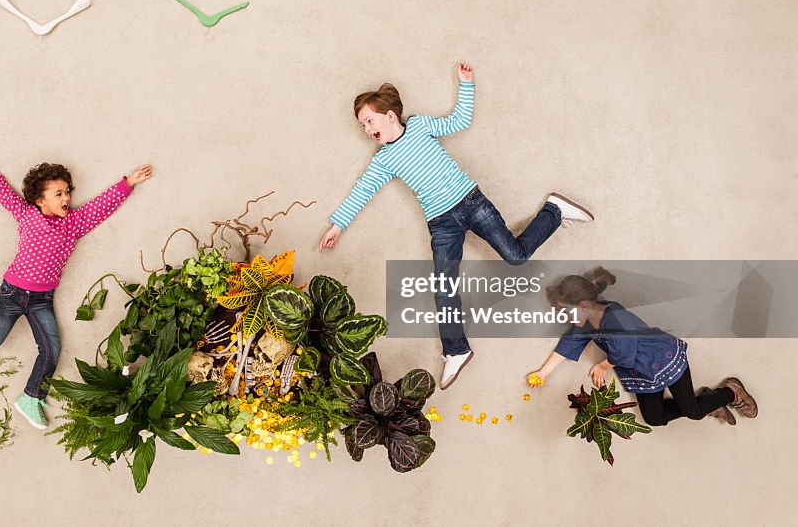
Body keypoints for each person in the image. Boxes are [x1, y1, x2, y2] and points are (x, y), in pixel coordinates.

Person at [318, 62, 593, 390]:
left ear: (390, 115)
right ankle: (456, 350)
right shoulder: (383, 160)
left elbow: (459, 120)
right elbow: (362, 191)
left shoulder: (419, 126)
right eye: (362, 125)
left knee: (516, 256)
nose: (366, 128)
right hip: (441, 223)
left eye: (369, 120)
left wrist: (466, 84)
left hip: (471, 203)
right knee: (443, 288)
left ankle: (555, 211)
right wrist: (337, 226)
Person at [0, 145, 152, 429]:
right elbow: (2, 192)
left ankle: (31, 397)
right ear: (40, 201)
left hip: (42, 299)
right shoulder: (28, 215)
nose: (66, 197)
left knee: (52, 349)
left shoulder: (74, 224)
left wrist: (127, 184)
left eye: (68, 192)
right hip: (13, 294)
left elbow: (101, 207)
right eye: (58, 194)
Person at [528, 267, 758, 426]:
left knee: (693, 413)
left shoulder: (615, 316)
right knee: (655, 418)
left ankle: (729, 392)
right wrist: (543, 373)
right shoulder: (587, 320)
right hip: (643, 372)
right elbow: (569, 343)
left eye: (566, 311)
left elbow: (624, 351)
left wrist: (603, 366)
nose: (565, 317)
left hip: (664, 358)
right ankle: (706, 403)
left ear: (585, 304)